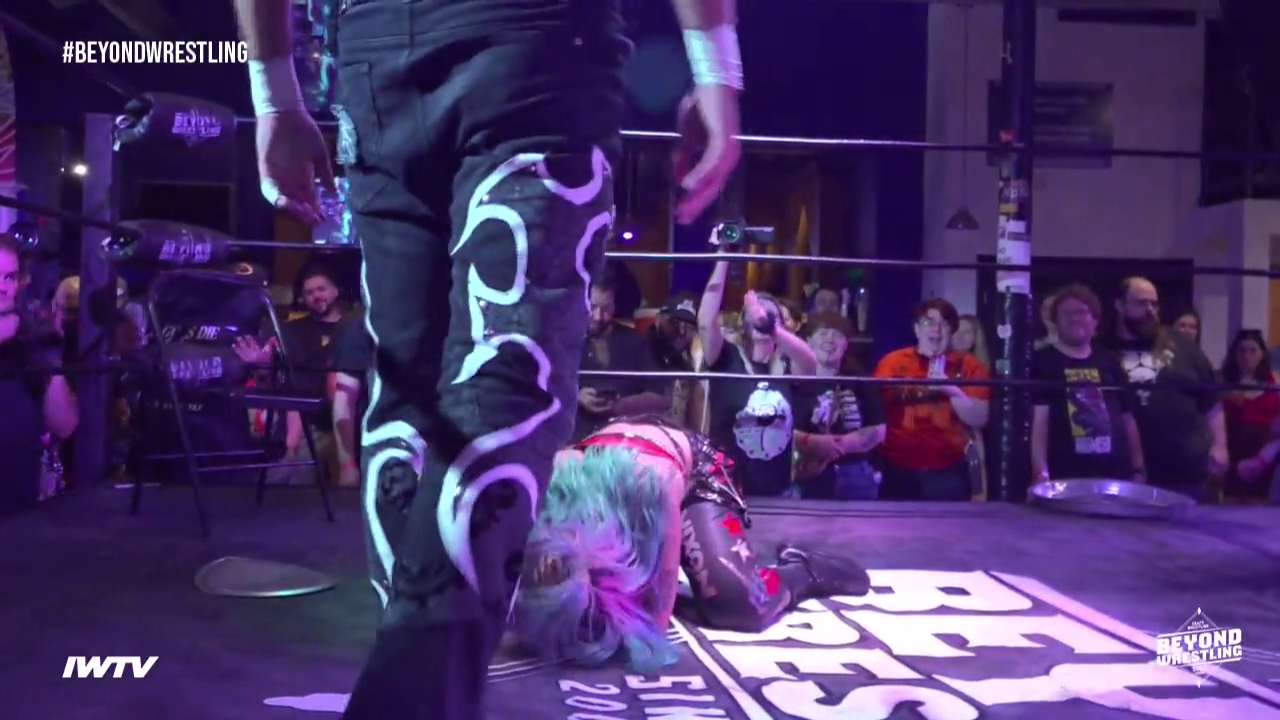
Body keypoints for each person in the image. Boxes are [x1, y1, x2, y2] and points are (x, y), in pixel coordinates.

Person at [233, 0, 744, 717]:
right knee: (505, 382)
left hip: (377, 50)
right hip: (538, 46)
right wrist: (716, 69)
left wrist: (275, 94)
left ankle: (414, 689)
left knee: (407, 404)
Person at [511, 414, 870, 670]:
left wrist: (640, 629)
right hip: (616, 448)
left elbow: (661, 600)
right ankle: (594, 600)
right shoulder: (556, 487)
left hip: (691, 466)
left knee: (740, 603)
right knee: (599, 605)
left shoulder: (650, 479)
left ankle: (804, 568)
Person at [697, 243, 818, 496]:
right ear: (743, 322)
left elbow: (809, 363)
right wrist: (723, 257)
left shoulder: (787, 364)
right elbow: (706, 322)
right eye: (755, 314)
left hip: (778, 492)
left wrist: (770, 327)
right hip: (727, 488)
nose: (760, 317)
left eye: (769, 314)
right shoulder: (726, 357)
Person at [1102, 277, 1226, 501]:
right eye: (1141, 303)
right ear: (1120, 305)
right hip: (1128, 475)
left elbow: (1212, 401)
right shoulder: (1103, 350)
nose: (1150, 310)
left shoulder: (1183, 346)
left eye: (1154, 304)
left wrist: (1220, 446)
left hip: (1188, 472)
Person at [873, 299, 989, 501]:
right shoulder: (892, 363)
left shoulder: (969, 366)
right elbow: (873, 411)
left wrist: (951, 390)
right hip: (896, 470)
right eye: (928, 323)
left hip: (948, 472)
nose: (936, 329)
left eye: (944, 324)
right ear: (917, 329)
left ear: (951, 332)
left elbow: (979, 418)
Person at [1030, 285, 1144, 483]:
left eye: (1081, 312)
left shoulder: (1110, 361)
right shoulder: (1042, 361)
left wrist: (1138, 468)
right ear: (1055, 321)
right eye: (1067, 313)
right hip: (1064, 478)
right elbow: (1039, 422)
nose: (1074, 318)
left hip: (1115, 477)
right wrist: (1040, 474)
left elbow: (1127, 418)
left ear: (1094, 320)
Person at [0, 233, 79, 516]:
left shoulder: (24, 346)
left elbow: (65, 425)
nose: (2, 287)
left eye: (9, 277)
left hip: (21, 514)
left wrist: (48, 357)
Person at [793, 312, 885, 500]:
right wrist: (815, 445)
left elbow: (879, 429)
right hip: (808, 474)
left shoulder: (861, 380)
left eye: (837, 335)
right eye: (823, 333)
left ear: (846, 345)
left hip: (856, 473)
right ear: (809, 341)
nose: (830, 339)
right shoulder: (794, 382)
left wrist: (837, 447)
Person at [576, 275, 668, 442]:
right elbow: (543, 388)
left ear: (614, 305)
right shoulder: (564, 342)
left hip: (625, 441)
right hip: (576, 439)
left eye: (606, 309)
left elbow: (661, 398)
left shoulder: (635, 341)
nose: (598, 316)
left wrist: (621, 406)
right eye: (593, 307)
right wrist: (576, 396)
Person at [1219, 329, 1279, 503]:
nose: (1247, 356)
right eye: (1242, 350)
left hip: (1264, 455)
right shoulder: (1223, 381)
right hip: (1231, 453)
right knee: (1228, 506)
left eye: (1253, 350)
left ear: (1262, 354)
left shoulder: (1275, 381)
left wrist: (1263, 458)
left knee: (1258, 507)